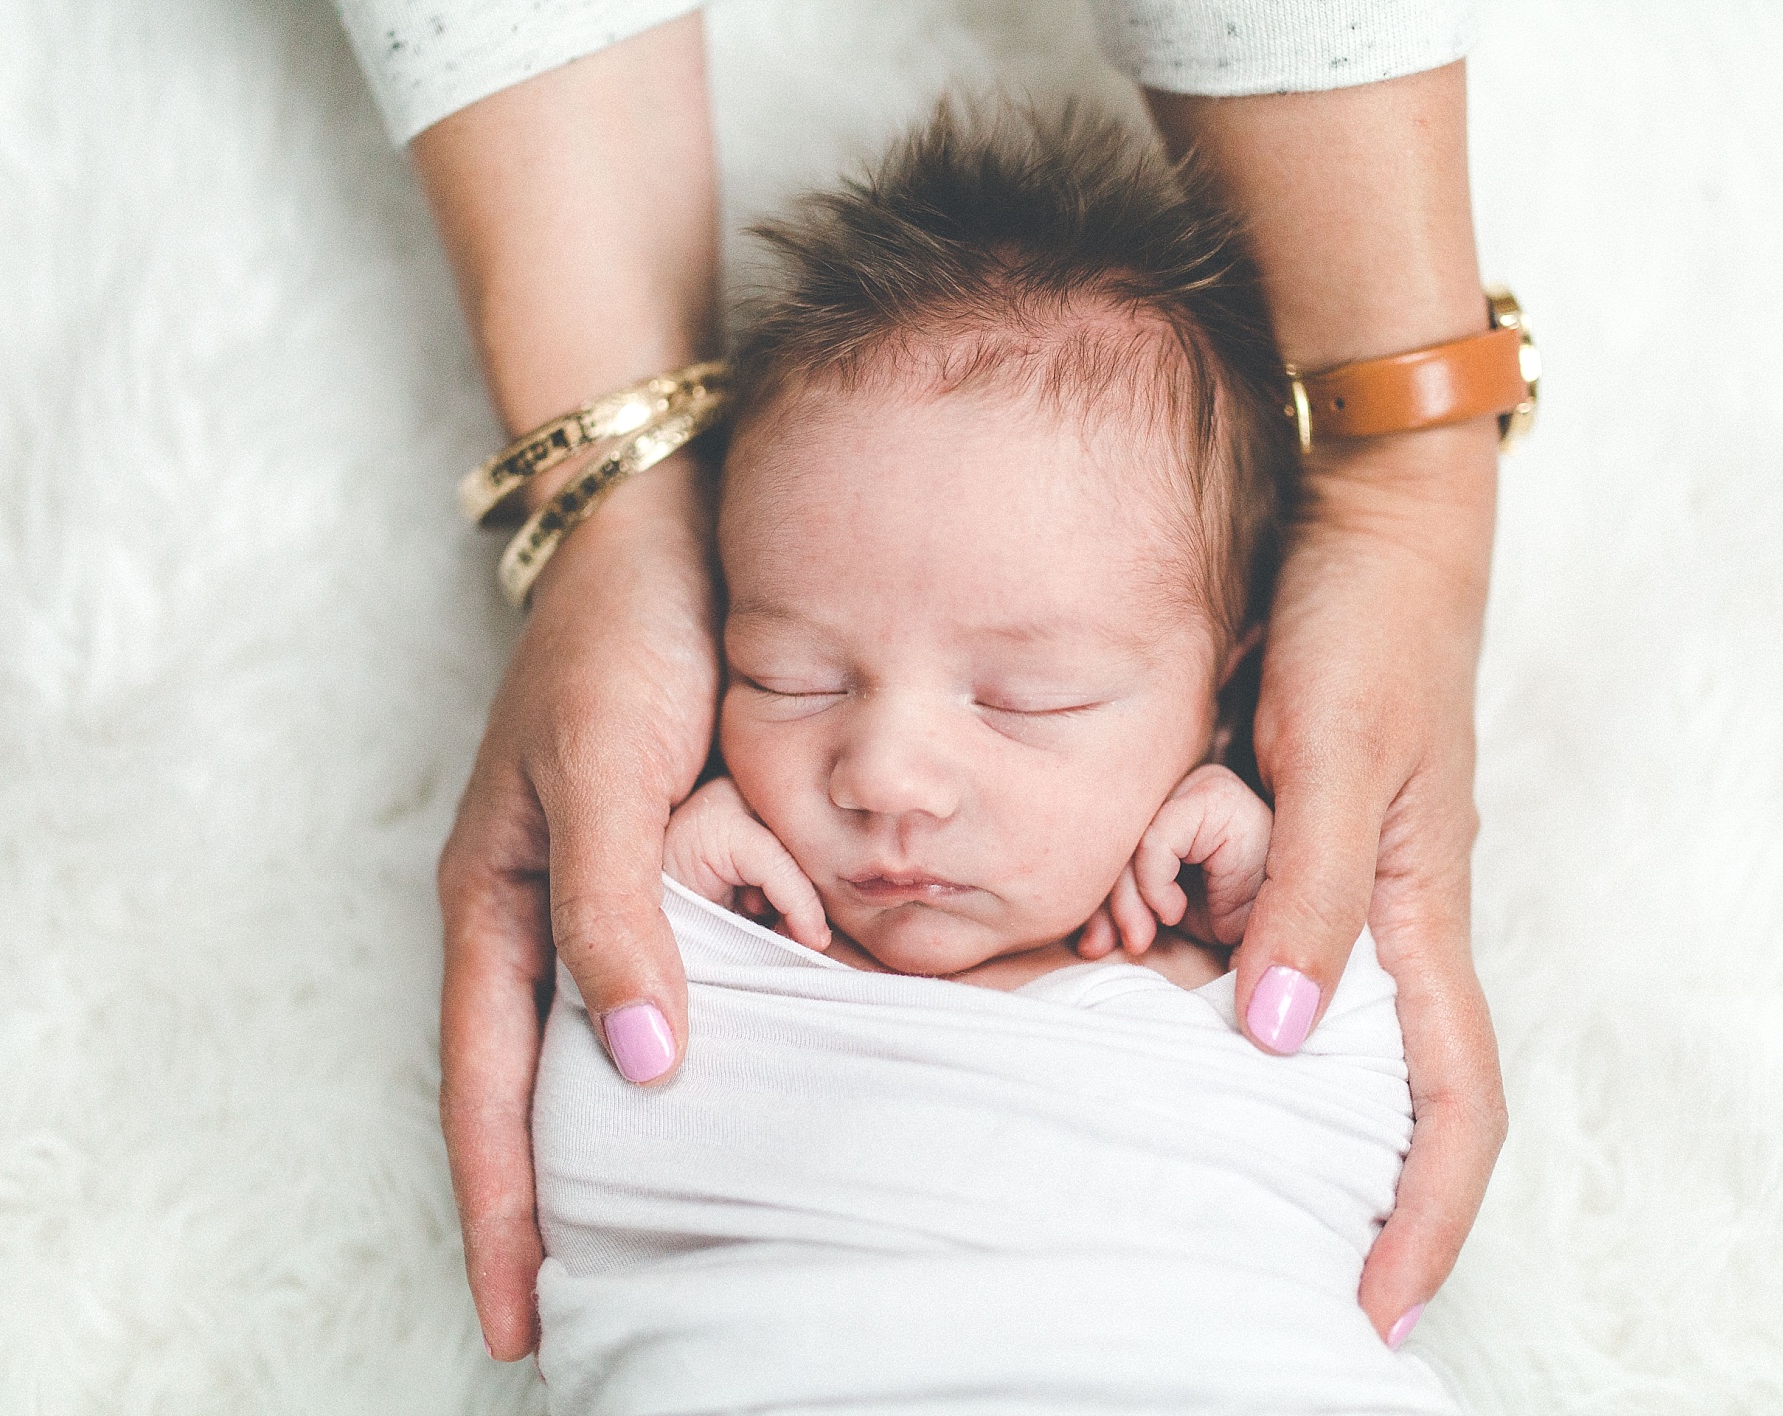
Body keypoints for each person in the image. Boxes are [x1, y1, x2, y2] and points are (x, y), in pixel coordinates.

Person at [332, 0, 1509, 1363]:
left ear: (1228, 696)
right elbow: (619, 1132)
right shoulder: (718, 896)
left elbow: (1348, 1122)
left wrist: (1260, 881)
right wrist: (681, 897)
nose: (884, 773)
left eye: (1028, 698)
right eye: (787, 675)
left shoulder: (1231, 924)